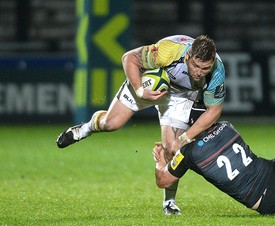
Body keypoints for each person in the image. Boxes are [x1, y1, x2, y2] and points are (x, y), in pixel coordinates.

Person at [55, 35, 226, 215]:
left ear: (212, 62)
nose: (199, 72)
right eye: (195, 66)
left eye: (205, 68)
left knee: (172, 149)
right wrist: (139, 89)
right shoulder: (169, 51)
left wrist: (184, 138)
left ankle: (169, 202)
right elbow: (128, 58)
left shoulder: (217, 72)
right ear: (187, 57)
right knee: (112, 123)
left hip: (182, 96)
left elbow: (213, 110)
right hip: (150, 83)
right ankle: (86, 128)